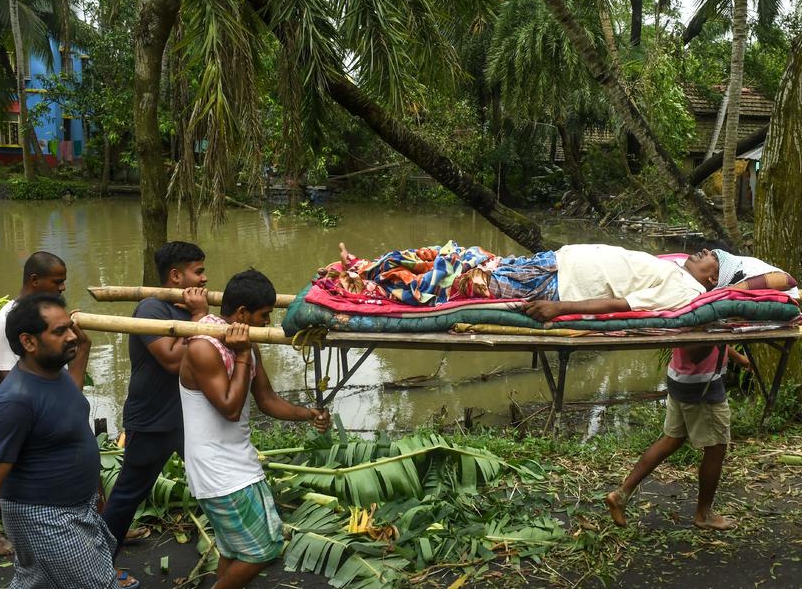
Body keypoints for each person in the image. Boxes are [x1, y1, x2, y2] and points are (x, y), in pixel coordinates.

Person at [605, 244, 794, 531]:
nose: (705, 252)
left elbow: (711, 335)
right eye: (711, 257)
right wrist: (723, 326)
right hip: (700, 386)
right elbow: (693, 347)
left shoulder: (698, 300)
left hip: (681, 379)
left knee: (672, 439)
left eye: (712, 258)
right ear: (711, 282)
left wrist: (739, 357)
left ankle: (621, 494)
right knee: (716, 448)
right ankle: (703, 513)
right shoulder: (701, 306)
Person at [179, 269, 331, 589]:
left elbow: (266, 399)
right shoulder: (204, 347)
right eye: (263, 316)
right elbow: (231, 408)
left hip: (239, 463)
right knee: (263, 550)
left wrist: (308, 414)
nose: (266, 324)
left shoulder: (244, 344)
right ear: (242, 314)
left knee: (234, 550)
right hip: (218, 471)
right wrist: (244, 353)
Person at [0, 294, 114, 589]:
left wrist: (83, 345)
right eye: (60, 331)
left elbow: (71, 401)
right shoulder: (15, 400)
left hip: (75, 508)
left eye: (71, 327)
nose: (71, 335)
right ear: (29, 342)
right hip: (45, 516)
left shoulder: (56, 376)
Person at [101, 242, 208, 583]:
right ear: (176, 276)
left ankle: (242, 548)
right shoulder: (151, 309)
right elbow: (175, 360)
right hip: (153, 420)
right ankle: (97, 564)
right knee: (130, 492)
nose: (204, 280)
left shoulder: (186, 308)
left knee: (215, 482)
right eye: (198, 272)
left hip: (189, 419)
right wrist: (199, 317)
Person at [332, 242, 735, 317]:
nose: (704, 253)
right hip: (553, 263)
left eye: (711, 259)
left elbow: (621, 306)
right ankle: (369, 268)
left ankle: (367, 280)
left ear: (713, 278)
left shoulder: (684, 289)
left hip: (555, 287)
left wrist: (559, 308)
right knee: (460, 257)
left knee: (463, 279)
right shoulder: (675, 266)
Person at [0, 251, 87, 384]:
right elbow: (6, 379)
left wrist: (63, 330)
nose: (63, 288)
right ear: (34, 280)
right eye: (57, 282)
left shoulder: (49, 314)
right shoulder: (4, 321)